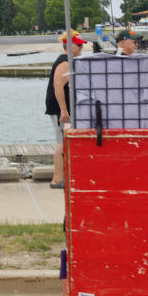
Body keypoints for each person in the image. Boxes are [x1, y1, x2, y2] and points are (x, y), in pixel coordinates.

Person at [47, 30, 86, 189]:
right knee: (62, 142)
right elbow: (58, 85)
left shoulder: (67, 60)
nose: (81, 48)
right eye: (79, 45)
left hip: (62, 108)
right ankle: (56, 180)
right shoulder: (64, 62)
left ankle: (63, 176)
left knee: (64, 142)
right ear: (70, 46)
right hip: (59, 109)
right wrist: (63, 110)